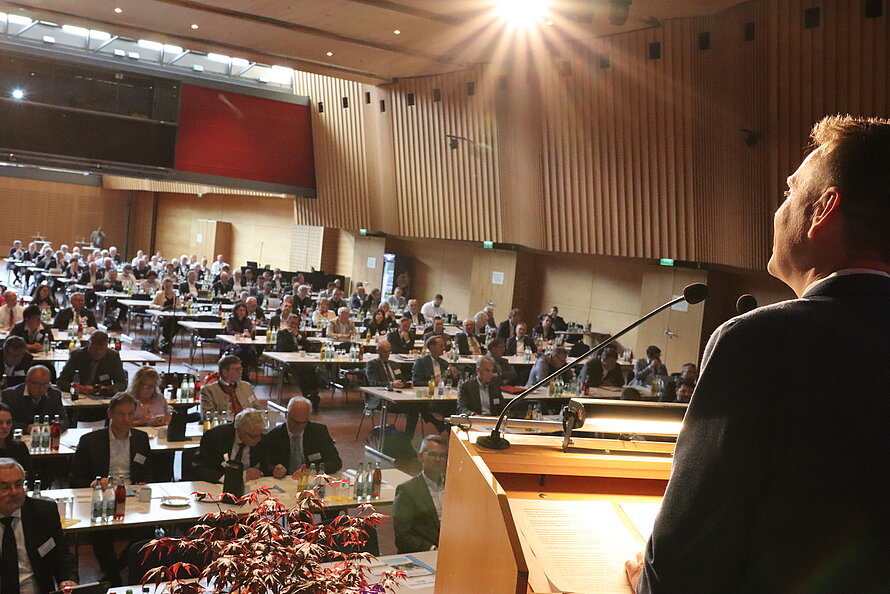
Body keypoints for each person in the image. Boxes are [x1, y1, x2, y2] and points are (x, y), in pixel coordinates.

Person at [626, 115, 890, 592]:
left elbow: (683, 565)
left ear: (823, 210)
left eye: (790, 192)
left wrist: (643, 577)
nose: (779, 208)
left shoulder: (761, 343)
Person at [0, 458, 79, 591]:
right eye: (5, 487)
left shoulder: (43, 512)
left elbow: (61, 555)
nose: (14, 492)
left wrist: (67, 579)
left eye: (19, 485)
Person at [392, 435, 448, 553]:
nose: (438, 459)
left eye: (442, 455)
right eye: (432, 454)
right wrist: (432, 549)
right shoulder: (407, 490)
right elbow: (402, 537)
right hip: (425, 553)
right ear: (421, 457)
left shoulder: (454, 487)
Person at [263, 396, 342, 477]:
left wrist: (311, 471)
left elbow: (336, 462)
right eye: (294, 422)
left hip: (311, 480)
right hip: (285, 480)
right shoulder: (274, 436)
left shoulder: (319, 432)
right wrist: (275, 470)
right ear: (286, 415)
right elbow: (266, 464)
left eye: (303, 423)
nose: (298, 427)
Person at [192, 408, 268, 483]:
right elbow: (199, 467)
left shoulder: (261, 439)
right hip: (217, 486)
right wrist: (225, 479)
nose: (259, 439)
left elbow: (267, 465)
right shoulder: (216, 436)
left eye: (260, 434)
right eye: (253, 436)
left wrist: (260, 472)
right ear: (238, 431)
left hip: (251, 485)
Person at [57, 331, 127, 398]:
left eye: (102, 349)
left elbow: (122, 384)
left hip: (101, 397)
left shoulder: (113, 357)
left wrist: (106, 389)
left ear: (106, 347)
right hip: (79, 395)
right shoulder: (77, 356)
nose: (98, 352)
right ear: (88, 345)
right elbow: (61, 381)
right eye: (95, 349)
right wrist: (79, 388)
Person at [1, 366, 68, 434]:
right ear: (27, 381)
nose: (41, 388)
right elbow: (3, 423)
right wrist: (27, 428)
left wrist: (55, 427)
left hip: (45, 438)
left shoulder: (55, 394)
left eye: (45, 384)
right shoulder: (9, 395)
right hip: (18, 439)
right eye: (37, 384)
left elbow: (64, 420)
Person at [276, 314, 321, 411]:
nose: (293, 326)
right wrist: (299, 347)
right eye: (292, 323)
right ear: (287, 323)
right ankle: (307, 393)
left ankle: (314, 391)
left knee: (310, 368)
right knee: (298, 370)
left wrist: (297, 336)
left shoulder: (300, 334)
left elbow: (308, 346)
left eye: (296, 324)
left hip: (301, 359)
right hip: (287, 361)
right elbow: (284, 348)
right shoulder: (281, 333)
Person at [224, 302, 257, 381]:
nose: (242, 312)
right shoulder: (231, 320)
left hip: (246, 344)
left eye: (244, 310)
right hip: (232, 343)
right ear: (236, 311)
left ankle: (245, 372)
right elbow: (230, 331)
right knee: (241, 353)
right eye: (240, 310)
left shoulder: (247, 321)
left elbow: (250, 331)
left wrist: (249, 334)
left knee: (251, 352)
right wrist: (241, 334)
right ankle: (243, 375)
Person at [150, 278, 181, 353]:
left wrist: (175, 307)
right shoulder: (159, 294)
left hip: (172, 316)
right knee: (168, 322)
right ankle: (168, 341)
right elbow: (151, 305)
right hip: (161, 317)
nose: (168, 288)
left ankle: (167, 340)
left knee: (178, 323)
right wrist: (159, 307)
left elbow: (179, 306)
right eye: (166, 286)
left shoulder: (175, 295)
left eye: (169, 286)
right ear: (163, 286)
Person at [0, 405, 31, 472]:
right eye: (0, 423)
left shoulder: (20, 447)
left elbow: (27, 473)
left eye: (8, 422)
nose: (5, 426)